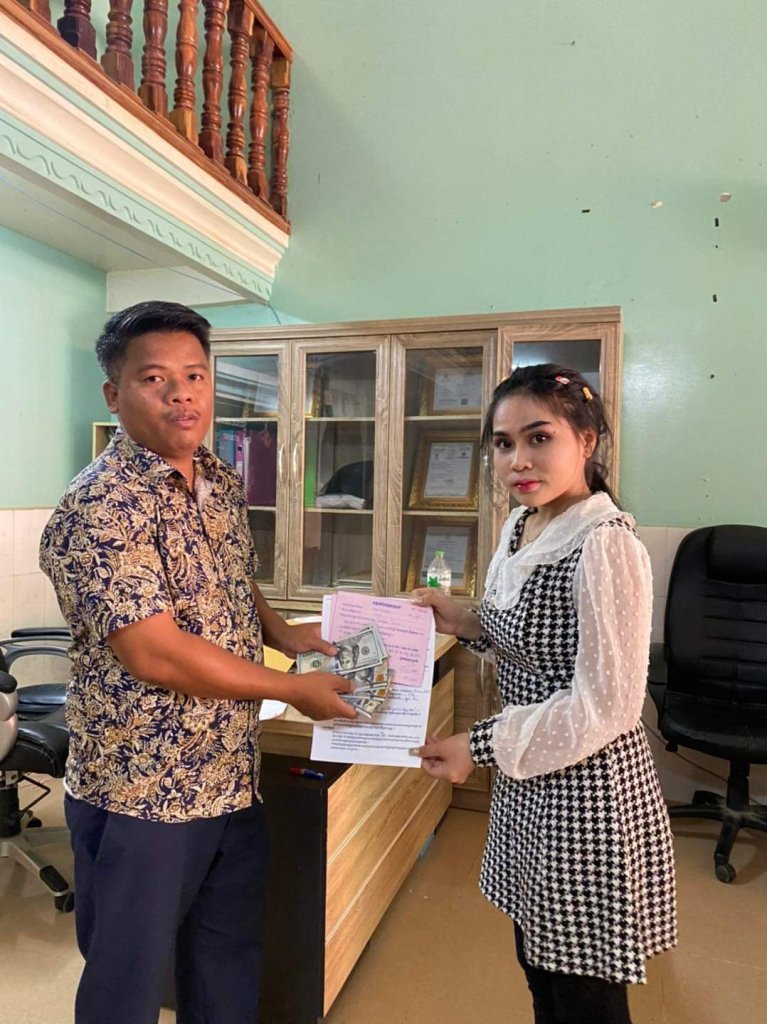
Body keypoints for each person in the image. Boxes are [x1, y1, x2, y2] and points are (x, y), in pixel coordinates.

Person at [39, 301, 356, 1024]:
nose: (181, 394)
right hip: (142, 790)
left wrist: (282, 632)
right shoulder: (101, 506)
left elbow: (229, 579)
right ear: (114, 393)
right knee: (127, 983)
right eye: (155, 378)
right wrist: (290, 689)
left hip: (227, 774)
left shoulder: (216, 479)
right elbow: (153, 651)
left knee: (225, 963)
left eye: (195, 376)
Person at [413, 364, 677, 1024]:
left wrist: (477, 744)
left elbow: (605, 705)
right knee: (538, 964)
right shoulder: (520, 527)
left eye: (538, 438)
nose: (518, 461)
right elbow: (531, 641)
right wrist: (461, 618)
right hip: (529, 778)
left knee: (582, 991)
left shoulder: (605, 545)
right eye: (503, 444)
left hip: (587, 792)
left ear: (585, 440)